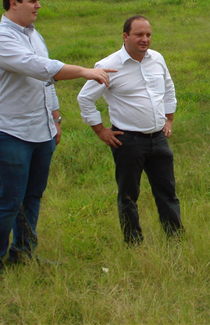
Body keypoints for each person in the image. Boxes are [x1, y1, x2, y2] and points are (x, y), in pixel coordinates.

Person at [0, 0, 115, 271]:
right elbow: (39, 67)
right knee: (11, 198)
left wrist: (56, 119)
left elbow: (45, 82)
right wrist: (83, 71)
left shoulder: (33, 35)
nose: (39, 5)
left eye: (38, 0)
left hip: (40, 130)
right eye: (33, 1)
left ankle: (24, 253)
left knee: (32, 197)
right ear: (14, 3)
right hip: (7, 131)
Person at [77, 15, 182, 245]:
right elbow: (85, 98)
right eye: (139, 35)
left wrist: (169, 119)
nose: (145, 39)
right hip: (128, 141)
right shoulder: (108, 66)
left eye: (148, 35)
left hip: (159, 138)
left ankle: (175, 238)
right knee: (128, 195)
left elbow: (169, 87)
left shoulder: (157, 59)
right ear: (125, 36)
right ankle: (133, 243)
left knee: (167, 192)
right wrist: (100, 130)